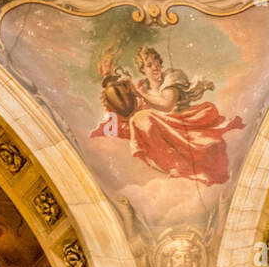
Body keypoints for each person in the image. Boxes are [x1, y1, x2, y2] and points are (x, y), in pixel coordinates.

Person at [93, 46, 243, 187]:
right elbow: (129, 114)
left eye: (157, 62)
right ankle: (172, 163)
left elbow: (167, 105)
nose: (156, 67)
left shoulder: (171, 78)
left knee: (144, 117)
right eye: (150, 65)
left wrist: (138, 94)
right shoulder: (142, 87)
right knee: (137, 120)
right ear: (143, 69)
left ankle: (181, 164)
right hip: (163, 132)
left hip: (183, 122)